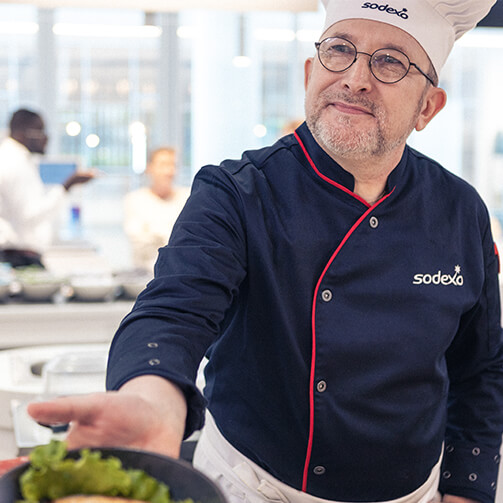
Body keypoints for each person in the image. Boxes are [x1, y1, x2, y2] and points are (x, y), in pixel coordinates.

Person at [28, 1, 503, 503]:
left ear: (428, 107)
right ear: (309, 74)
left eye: (390, 62)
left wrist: (467, 490)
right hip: (248, 487)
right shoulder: (236, 191)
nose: (356, 78)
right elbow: (174, 308)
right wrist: (153, 398)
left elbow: (482, 368)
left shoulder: (460, 211)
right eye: (340, 50)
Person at [0, 109, 94, 266]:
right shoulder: (14, 162)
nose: (46, 137)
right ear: (23, 133)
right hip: (17, 256)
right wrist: (67, 186)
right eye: (40, 131)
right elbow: (29, 215)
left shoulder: (16, 158)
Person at [123, 147, 190, 273]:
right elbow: (139, 242)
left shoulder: (187, 197)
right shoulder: (135, 199)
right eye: (163, 165)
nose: (169, 171)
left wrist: (155, 234)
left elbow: (191, 242)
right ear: (150, 168)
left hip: (180, 275)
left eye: (173, 165)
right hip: (144, 278)